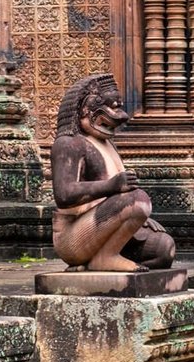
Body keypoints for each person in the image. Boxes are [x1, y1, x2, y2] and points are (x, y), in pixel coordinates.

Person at [51, 73, 176, 272]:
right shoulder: (68, 144)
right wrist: (113, 187)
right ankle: (105, 258)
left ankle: (100, 259)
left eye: (118, 107)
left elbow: (118, 198)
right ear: (83, 109)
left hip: (105, 229)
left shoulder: (107, 144)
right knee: (138, 199)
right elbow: (64, 194)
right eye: (109, 108)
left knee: (164, 249)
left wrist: (138, 219)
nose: (120, 116)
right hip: (74, 235)